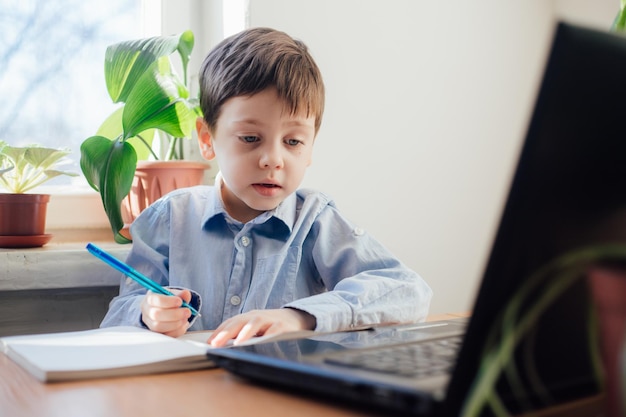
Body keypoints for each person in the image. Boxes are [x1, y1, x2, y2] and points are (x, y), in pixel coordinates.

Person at [100, 27, 432, 347]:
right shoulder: (171, 217)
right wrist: (146, 312)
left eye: (293, 141)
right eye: (250, 138)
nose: (273, 159)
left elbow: (406, 290)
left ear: (311, 148)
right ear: (207, 139)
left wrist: (299, 317)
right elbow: (118, 316)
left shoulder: (315, 220)